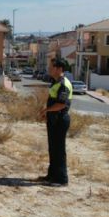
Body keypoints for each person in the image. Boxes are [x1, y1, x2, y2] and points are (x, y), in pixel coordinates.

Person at [37, 58, 73, 186]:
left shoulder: (64, 84)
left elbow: (61, 104)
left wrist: (46, 110)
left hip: (60, 120)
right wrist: (47, 113)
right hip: (53, 120)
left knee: (59, 150)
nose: (49, 69)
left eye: (51, 66)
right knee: (53, 149)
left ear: (59, 69)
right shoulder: (55, 81)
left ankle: (61, 179)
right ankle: (52, 176)